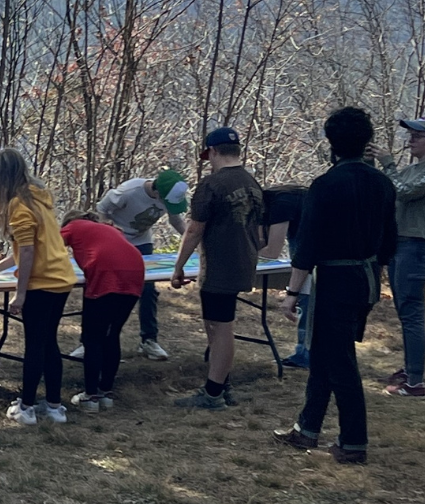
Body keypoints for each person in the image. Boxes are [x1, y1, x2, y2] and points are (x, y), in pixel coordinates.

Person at [273, 107, 397, 464]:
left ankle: (354, 441)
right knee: (326, 354)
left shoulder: (326, 185)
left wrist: (292, 293)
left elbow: (307, 246)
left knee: (339, 360)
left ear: (332, 143)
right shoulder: (383, 183)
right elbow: (390, 241)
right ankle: (307, 428)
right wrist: (375, 276)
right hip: (367, 278)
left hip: (335, 280)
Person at [0, 149, 76, 426]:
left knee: (35, 344)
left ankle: (27, 406)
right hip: (61, 277)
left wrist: (20, 292)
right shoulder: (38, 196)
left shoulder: (19, 205)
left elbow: (29, 252)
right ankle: (54, 406)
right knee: (49, 342)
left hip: (41, 283)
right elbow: (26, 247)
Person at [171, 127, 265, 410]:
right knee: (219, 324)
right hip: (244, 260)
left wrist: (179, 267)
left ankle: (213, 393)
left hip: (219, 266)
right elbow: (259, 231)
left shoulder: (212, 185)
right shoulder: (252, 183)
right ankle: (221, 382)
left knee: (219, 327)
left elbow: (194, 231)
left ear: (212, 152)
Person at [371, 117, 425, 399]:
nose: (412, 139)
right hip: (401, 246)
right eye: (411, 134)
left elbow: (402, 193)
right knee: (406, 313)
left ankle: (415, 382)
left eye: (419, 136)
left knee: (412, 314)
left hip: (417, 247)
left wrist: (388, 164)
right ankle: (409, 369)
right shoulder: (412, 170)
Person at [94, 169, 189, 361]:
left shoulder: (169, 197)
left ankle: (149, 340)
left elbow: (175, 220)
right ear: (156, 191)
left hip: (142, 242)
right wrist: (109, 229)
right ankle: (91, 341)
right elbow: (101, 210)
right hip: (116, 241)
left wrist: (191, 240)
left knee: (147, 290)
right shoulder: (129, 191)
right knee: (107, 290)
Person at [60, 213, 146, 412]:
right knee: (112, 333)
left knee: (92, 337)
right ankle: (106, 391)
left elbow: (49, 244)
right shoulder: (109, 228)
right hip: (135, 270)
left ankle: (90, 396)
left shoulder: (73, 226)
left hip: (107, 274)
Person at [261, 185, 309, 368]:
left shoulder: (281, 204)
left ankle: (306, 356)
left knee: (306, 298)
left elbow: (271, 251)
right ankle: (304, 354)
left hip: (312, 248)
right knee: (305, 298)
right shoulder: (272, 201)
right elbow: (261, 242)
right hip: (305, 241)